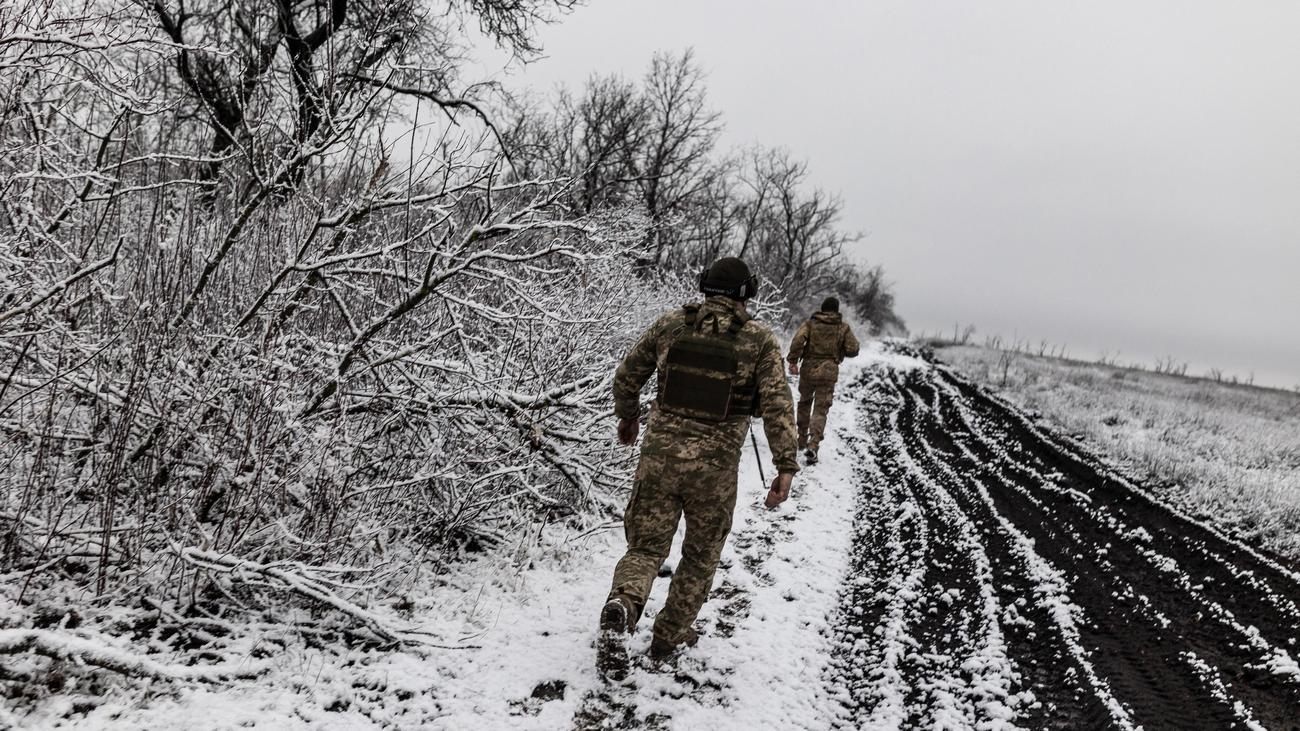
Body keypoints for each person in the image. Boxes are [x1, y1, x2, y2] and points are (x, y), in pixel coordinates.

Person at [601, 256, 799, 664]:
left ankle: (625, 603)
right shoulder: (759, 340)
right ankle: (668, 638)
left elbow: (626, 377)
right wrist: (785, 466)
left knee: (644, 548)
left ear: (705, 286)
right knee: (700, 556)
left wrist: (628, 419)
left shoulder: (671, 325)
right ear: (747, 293)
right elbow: (778, 407)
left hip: (658, 462)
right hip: (714, 473)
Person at [786, 296, 860, 464]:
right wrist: (840, 350)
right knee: (821, 409)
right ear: (837, 310)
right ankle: (813, 445)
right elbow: (853, 349)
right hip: (828, 371)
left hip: (808, 368)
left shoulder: (810, 324)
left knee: (804, 402)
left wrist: (793, 361)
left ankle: (801, 439)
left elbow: (798, 340)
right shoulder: (843, 328)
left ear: (822, 308)